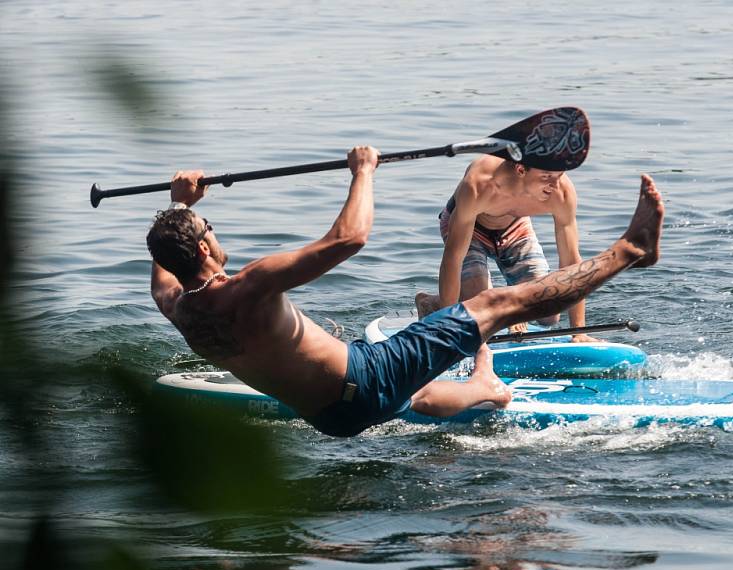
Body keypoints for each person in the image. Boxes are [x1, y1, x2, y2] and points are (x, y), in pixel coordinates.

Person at [147, 146, 664, 437]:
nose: (215, 231)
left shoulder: (179, 307)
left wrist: (180, 206)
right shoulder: (250, 286)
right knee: (501, 305)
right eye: (207, 227)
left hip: (331, 417)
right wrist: (363, 172)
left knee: (413, 391)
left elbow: (166, 270)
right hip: (369, 377)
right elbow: (349, 238)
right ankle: (631, 250)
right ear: (203, 251)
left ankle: (486, 386)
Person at [415, 154, 596, 341]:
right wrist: (448, 328)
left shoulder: (561, 191)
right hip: (469, 227)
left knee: (549, 311)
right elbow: (453, 257)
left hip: (515, 227)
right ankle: (431, 304)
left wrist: (579, 332)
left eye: (559, 175)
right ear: (520, 170)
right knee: (479, 310)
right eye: (546, 177)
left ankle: (506, 306)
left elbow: (571, 262)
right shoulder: (480, 183)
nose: (555, 184)